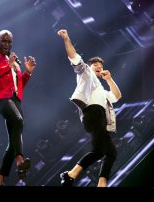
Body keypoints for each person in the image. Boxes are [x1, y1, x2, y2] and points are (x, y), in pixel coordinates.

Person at [57, 29, 122, 187]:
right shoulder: (86, 73)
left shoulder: (101, 89)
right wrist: (66, 38)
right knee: (99, 151)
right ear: (90, 66)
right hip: (92, 113)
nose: (99, 66)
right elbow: (73, 57)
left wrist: (110, 79)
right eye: (95, 65)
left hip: (99, 118)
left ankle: (101, 183)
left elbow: (117, 96)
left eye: (100, 65)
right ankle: (69, 175)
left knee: (111, 153)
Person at [0, 30, 36, 186]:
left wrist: (28, 73)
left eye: (9, 41)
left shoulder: (13, 60)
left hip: (15, 99)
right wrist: (7, 65)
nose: (6, 44)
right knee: (18, 121)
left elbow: (19, 85)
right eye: (3, 41)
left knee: (13, 140)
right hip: (0, 97)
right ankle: (19, 161)